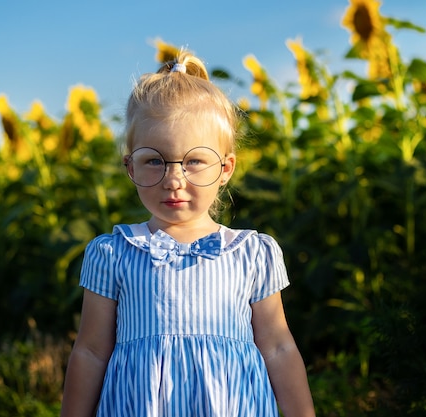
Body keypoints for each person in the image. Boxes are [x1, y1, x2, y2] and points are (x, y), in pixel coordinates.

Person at [60, 50, 315, 417]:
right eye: (154, 160)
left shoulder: (252, 253)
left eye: (194, 160)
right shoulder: (113, 253)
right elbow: (91, 350)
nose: (174, 179)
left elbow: (277, 347)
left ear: (225, 167)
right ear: (129, 166)